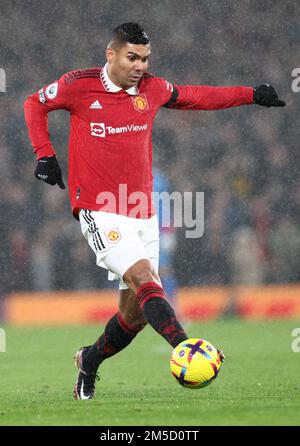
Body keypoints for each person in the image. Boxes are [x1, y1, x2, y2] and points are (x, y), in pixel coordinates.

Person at [24, 22, 285, 400]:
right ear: (110, 54)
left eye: (145, 59)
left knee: (136, 315)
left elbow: (197, 96)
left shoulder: (153, 89)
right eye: (132, 57)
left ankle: (89, 360)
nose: (140, 66)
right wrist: (44, 154)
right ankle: (188, 347)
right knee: (147, 280)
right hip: (99, 210)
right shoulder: (77, 85)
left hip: (143, 212)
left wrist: (250, 95)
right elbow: (35, 103)